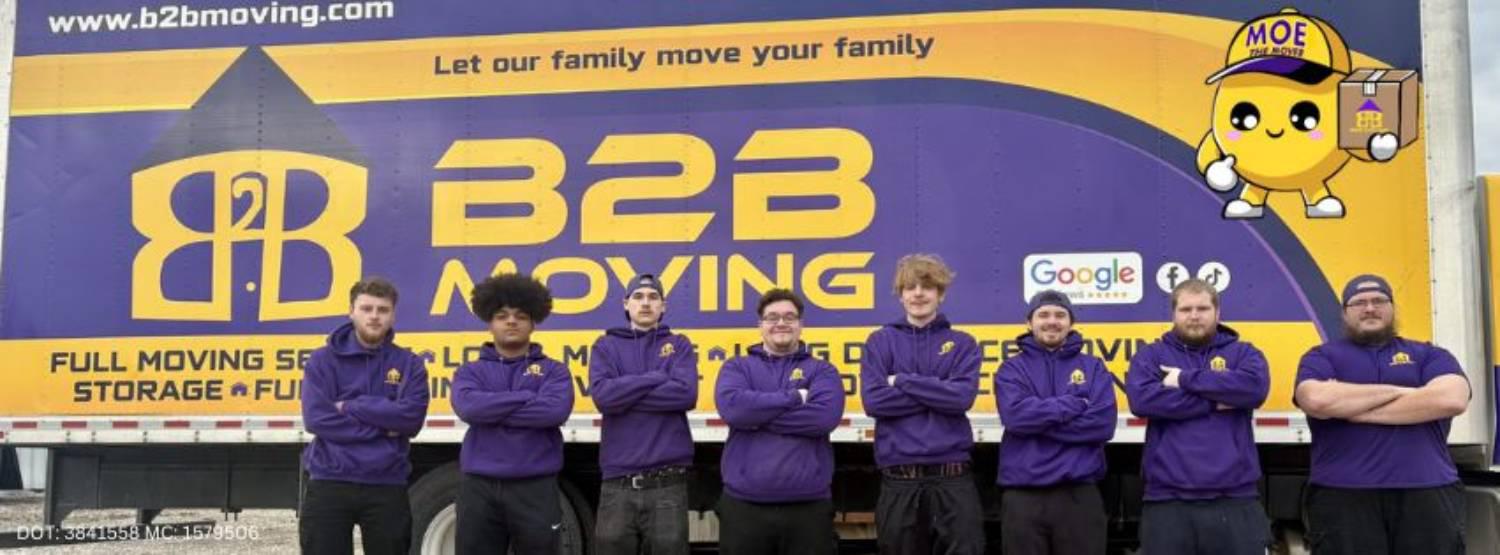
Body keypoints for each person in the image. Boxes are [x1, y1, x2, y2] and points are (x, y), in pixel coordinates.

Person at [1294, 274, 1470, 554]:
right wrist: (1409, 393)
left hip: (1428, 491)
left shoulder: (1429, 354)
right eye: (1359, 302)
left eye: (1378, 301)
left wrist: (1353, 407)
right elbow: (1316, 399)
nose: (1369, 308)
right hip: (1343, 495)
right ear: (1345, 313)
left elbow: (1452, 398)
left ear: (1392, 308)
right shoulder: (1321, 356)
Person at [1124, 278, 1270, 555]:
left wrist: (1183, 379)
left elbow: (1254, 389)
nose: (1194, 316)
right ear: (1173, 314)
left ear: (1218, 312)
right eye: (1185, 309)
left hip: (1235, 498)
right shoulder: (1150, 356)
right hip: (1167, 500)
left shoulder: (1244, 353)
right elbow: (1143, 400)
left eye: (1202, 308)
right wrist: (1216, 401)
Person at [860, 254, 984, 555]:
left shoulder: (963, 343)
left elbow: (961, 398)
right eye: (910, 287)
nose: (918, 294)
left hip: (952, 479)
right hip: (899, 480)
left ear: (940, 294)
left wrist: (901, 380)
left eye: (927, 287)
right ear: (900, 295)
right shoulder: (880, 342)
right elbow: (875, 401)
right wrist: (938, 390)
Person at [300, 277, 430, 555]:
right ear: (351, 311)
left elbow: (411, 420)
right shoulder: (322, 360)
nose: (374, 316)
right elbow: (316, 419)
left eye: (382, 310)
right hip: (330, 481)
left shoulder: (410, 364)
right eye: (366, 308)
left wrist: (351, 407)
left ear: (393, 315)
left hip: (387, 483)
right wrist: (384, 428)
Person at [451, 273, 576, 554]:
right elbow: (469, 408)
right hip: (479, 488)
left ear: (533, 323)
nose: (511, 321)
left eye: (520, 316)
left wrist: (492, 408)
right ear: (490, 323)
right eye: (502, 316)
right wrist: (526, 396)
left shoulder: (554, 371)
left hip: (536, 487)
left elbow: (554, 411)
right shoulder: (470, 371)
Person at [714, 289, 845, 555]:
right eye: (772, 317)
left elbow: (823, 419)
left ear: (800, 324)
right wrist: (795, 398)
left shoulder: (822, 370)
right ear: (760, 325)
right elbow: (734, 411)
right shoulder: (737, 367)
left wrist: (757, 417)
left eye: (789, 317)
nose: (781, 323)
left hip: (808, 508)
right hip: (744, 507)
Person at [994, 290, 1117, 554]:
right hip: (1024, 497)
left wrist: (1037, 424)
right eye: (1044, 315)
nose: (1052, 321)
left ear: (1071, 323)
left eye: (1060, 315)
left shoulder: (1093, 367)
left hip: (1078, 496)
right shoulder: (1011, 369)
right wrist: (1074, 405)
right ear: (1029, 323)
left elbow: (1103, 424)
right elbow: (1015, 418)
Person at [590, 274, 699, 555]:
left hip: (667, 485)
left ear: (663, 306)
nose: (646, 303)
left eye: (653, 297)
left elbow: (685, 395)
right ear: (626, 304)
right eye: (638, 297)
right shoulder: (606, 346)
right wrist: (656, 377)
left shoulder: (679, 344)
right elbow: (604, 397)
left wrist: (624, 393)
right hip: (618, 484)